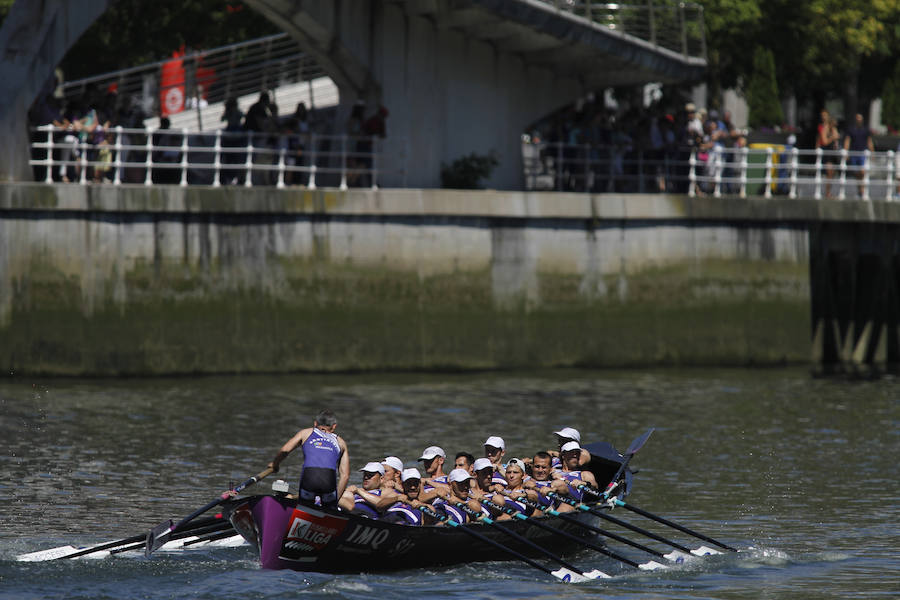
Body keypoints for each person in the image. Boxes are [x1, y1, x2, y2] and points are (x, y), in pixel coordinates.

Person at [268, 409, 350, 509]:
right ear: (334, 426)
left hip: (310, 476)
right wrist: (335, 500)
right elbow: (345, 476)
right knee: (329, 509)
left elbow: (284, 450)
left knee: (305, 508)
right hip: (329, 479)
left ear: (315, 423)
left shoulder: (306, 433)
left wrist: (275, 464)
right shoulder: (341, 442)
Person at [843, 113, 874, 198]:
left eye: (860, 118)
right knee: (856, 173)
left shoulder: (865, 130)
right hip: (854, 153)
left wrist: (872, 152)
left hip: (862, 153)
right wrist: (846, 152)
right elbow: (847, 141)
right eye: (857, 118)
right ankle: (859, 189)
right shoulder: (851, 130)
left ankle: (862, 190)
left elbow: (869, 141)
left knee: (862, 171)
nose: (859, 120)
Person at [816, 109, 840, 198]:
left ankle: (828, 192)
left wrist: (835, 139)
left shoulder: (833, 129)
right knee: (829, 172)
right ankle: (827, 193)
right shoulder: (824, 128)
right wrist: (832, 138)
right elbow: (825, 142)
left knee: (832, 173)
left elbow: (837, 137)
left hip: (832, 153)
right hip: (826, 152)